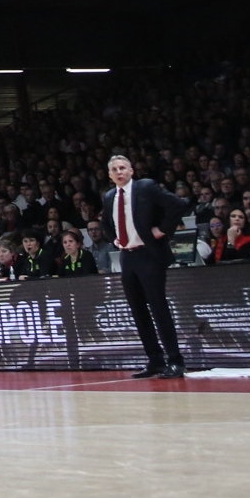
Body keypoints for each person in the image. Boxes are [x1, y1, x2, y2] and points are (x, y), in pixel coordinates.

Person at [101, 153, 188, 380]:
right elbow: (105, 224)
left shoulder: (146, 187)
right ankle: (155, 361)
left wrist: (163, 229)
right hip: (127, 257)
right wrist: (114, 240)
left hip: (149, 255)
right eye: (114, 169)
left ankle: (176, 361)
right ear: (110, 175)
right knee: (138, 311)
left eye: (122, 168)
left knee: (158, 308)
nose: (119, 172)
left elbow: (179, 204)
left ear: (131, 171)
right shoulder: (109, 196)